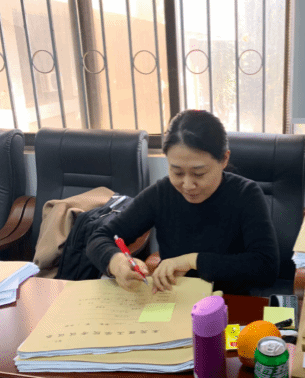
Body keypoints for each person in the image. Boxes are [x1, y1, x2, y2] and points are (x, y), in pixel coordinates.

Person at [86, 110, 280, 295]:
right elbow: (100, 238)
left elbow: (266, 266)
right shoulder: (161, 194)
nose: (187, 185)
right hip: (174, 300)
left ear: (224, 159)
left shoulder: (246, 194)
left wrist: (192, 261)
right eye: (177, 172)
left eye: (199, 173)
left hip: (229, 303)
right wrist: (117, 263)